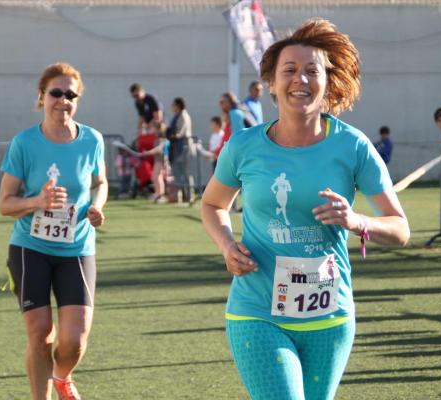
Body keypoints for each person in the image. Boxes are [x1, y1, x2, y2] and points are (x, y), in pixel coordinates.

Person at [200, 19, 410, 400]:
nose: (301, 80)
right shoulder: (244, 146)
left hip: (329, 315)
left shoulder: (353, 146)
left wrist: (356, 221)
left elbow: (400, 229)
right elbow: (213, 203)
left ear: (327, 80)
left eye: (312, 71)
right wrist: (227, 246)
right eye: (290, 71)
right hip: (257, 311)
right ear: (272, 83)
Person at [0, 62, 108, 400]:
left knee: (74, 341)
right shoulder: (24, 142)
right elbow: (5, 203)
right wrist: (37, 201)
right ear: (41, 96)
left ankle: (62, 376)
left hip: (76, 247)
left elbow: (100, 181)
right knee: (40, 332)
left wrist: (97, 206)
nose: (63, 100)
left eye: (70, 94)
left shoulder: (92, 139)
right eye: (56, 93)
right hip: (31, 247)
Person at [166, 97, 195, 203]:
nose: (172, 107)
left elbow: (180, 132)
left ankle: (189, 195)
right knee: (177, 172)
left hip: (184, 147)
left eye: (173, 105)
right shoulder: (176, 116)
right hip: (177, 147)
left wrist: (173, 134)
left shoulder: (183, 115)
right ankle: (180, 195)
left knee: (186, 172)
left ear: (178, 105)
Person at [138, 123, 170, 203]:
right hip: (157, 160)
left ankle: (161, 195)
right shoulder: (156, 139)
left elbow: (158, 149)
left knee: (157, 177)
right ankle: (158, 193)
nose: (152, 130)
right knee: (154, 177)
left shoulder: (162, 140)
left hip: (161, 161)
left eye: (154, 128)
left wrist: (147, 152)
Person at [215, 92, 246, 158]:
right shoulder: (234, 113)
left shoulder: (234, 114)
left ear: (229, 102)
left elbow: (238, 138)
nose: (220, 104)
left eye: (222, 102)